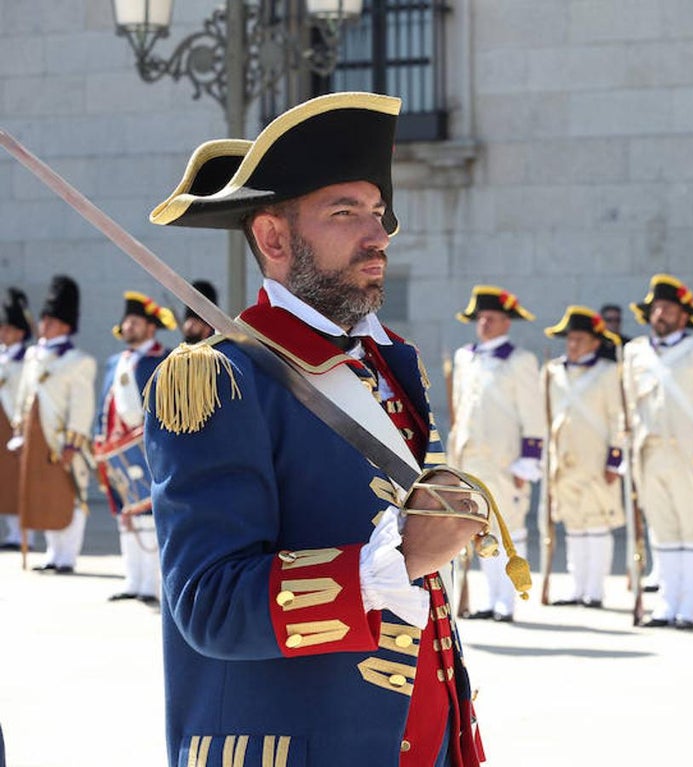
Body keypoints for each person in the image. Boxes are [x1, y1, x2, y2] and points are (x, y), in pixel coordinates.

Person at [144, 92, 490, 766]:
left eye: (377, 212)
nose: (377, 233)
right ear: (275, 238)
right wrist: (393, 562)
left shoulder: (391, 365)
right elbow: (210, 603)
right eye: (344, 212)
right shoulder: (218, 380)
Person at [622, 274, 693, 630]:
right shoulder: (635, 351)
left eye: (668, 308)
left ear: (684, 316)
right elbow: (628, 406)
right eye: (656, 308)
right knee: (663, 531)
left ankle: (689, 607)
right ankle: (666, 604)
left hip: (690, 453)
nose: (661, 314)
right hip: (649, 454)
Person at [449, 284, 546, 622]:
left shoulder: (520, 361)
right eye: (481, 317)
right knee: (480, 530)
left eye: (492, 317)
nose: (484, 323)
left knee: (510, 529)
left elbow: (533, 413)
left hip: (505, 460)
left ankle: (508, 600)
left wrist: (529, 459)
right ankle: (490, 599)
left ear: (507, 322)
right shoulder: (465, 357)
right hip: (469, 459)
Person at [9, 276, 96, 574]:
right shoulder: (33, 355)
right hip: (36, 436)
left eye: (52, 320)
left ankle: (67, 557)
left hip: (61, 439)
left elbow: (81, 406)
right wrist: (19, 432)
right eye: (44, 318)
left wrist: (74, 442)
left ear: (66, 326)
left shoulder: (78, 361)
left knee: (69, 495)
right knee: (43, 493)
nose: (44, 324)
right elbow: (24, 396)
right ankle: (52, 553)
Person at [93, 291, 175, 604]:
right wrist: (98, 437)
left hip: (147, 448)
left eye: (135, 322)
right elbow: (106, 402)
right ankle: (134, 581)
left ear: (151, 327)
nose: (128, 326)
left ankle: (151, 585)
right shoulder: (116, 362)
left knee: (148, 517)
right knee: (125, 516)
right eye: (126, 321)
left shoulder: (163, 360)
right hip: (116, 449)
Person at [541, 306, 625, 608]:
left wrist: (615, 459)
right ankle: (577, 588)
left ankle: (595, 590)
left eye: (580, 339)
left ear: (595, 342)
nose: (573, 344)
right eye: (570, 339)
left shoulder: (608, 372)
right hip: (563, 461)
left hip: (596, 459)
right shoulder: (552, 372)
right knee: (574, 525)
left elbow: (618, 419)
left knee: (597, 523)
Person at [0, 288, 33, 551]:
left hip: (13, 422)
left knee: (17, 482)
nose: (4, 333)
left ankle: (22, 536)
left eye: (9, 329)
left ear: (21, 333)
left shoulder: (27, 361)